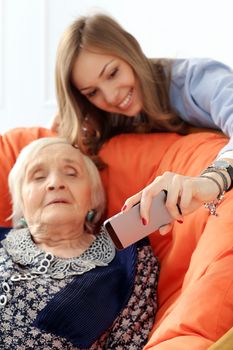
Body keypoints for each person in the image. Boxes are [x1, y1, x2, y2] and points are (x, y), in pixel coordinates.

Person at [54, 13, 233, 233]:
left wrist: (213, 179)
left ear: (130, 48)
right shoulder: (98, 120)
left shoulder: (195, 79)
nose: (111, 97)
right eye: (92, 92)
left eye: (112, 73)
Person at [0, 137, 159, 349]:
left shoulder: (128, 259)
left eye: (71, 173)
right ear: (20, 199)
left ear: (93, 197)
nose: (56, 183)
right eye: (38, 177)